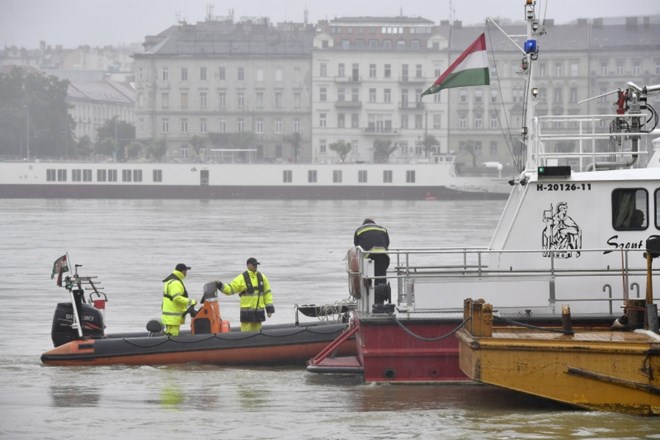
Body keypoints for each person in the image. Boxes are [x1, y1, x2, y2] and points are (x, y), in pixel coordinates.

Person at [216, 257, 275, 332]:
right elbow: (230, 289)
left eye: (256, 265)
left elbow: (267, 294)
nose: (255, 266)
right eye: (253, 265)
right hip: (247, 314)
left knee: (258, 333)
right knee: (246, 333)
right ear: (248, 265)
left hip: (258, 313)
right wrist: (220, 285)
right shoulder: (242, 278)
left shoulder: (262, 277)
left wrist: (269, 309)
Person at [161, 263, 196, 337]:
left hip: (168, 314)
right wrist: (190, 302)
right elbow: (176, 298)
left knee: (168, 333)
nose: (186, 273)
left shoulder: (169, 280)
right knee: (173, 335)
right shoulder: (176, 283)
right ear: (183, 271)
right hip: (173, 314)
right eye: (186, 271)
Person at [354, 218, 390, 287]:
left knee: (367, 277)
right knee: (381, 277)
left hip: (369, 256)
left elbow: (357, 246)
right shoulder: (382, 229)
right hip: (383, 255)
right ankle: (381, 294)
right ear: (374, 223)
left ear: (363, 224)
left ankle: (369, 292)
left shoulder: (359, 230)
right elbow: (387, 243)